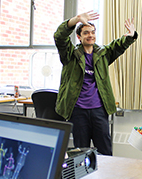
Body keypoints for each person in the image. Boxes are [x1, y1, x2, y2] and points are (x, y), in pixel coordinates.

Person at [54, 11, 137, 155]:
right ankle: (83, 178)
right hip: (78, 110)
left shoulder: (103, 53)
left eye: (92, 32)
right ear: (79, 37)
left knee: (105, 149)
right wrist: (76, 20)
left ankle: (106, 177)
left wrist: (130, 35)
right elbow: (59, 37)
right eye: (86, 33)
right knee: (81, 151)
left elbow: (118, 46)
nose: (90, 35)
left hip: (99, 109)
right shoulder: (70, 55)